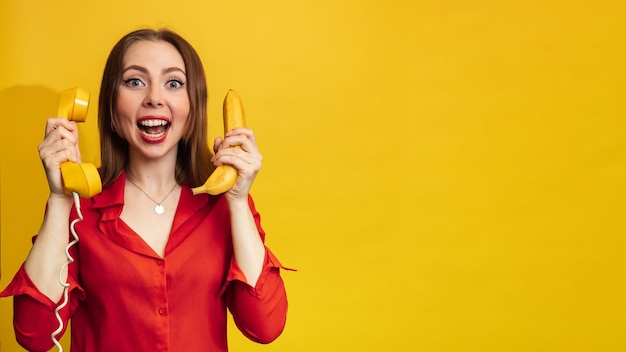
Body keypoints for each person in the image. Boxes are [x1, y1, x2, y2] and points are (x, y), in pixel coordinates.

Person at [0, 28, 291, 352]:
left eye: (174, 82)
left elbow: (265, 326)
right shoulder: (78, 208)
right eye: (135, 81)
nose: (154, 97)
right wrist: (59, 198)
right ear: (111, 108)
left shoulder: (224, 203)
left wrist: (237, 202)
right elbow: (33, 335)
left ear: (192, 108)